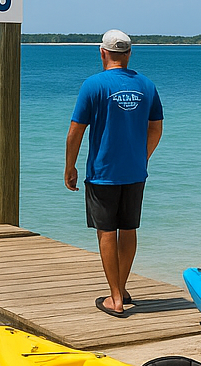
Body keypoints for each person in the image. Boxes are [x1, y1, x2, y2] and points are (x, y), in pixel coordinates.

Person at [65, 29, 163, 317]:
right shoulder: (146, 85)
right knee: (128, 228)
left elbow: (75, 131)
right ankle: (120, 286)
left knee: (106, 231)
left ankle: (116, 298)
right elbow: (156, 127)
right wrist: (142, 156)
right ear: (129, 54)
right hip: (135, 171)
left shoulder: (93, 85)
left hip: (102, 171)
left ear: (103, 53)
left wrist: (69, 165)